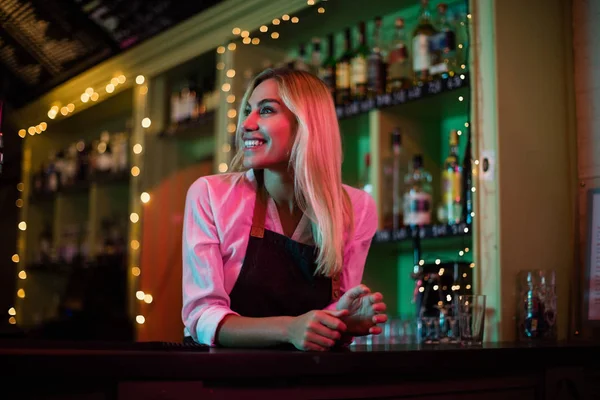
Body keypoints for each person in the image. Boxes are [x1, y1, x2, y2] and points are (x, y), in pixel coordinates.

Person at [182, 67, 387, 351]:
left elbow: (325, 316)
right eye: (248, 111)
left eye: (266, 111)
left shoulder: (357, 208)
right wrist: (289, 329)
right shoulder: (210, 195)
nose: (247, 124)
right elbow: (202, 316)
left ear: (306, 123)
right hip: (224, 381)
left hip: (311, 383)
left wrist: (345, 318)